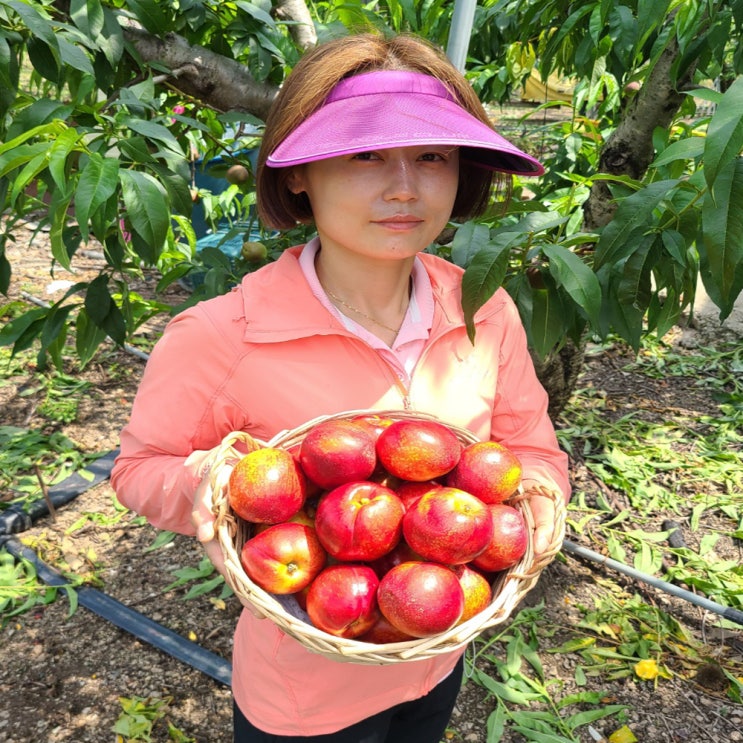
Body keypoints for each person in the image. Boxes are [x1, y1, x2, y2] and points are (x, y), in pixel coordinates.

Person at [111, 32, 571, 743]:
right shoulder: (222, 334)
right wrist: (208, 479)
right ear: (298, 174)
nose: (404, 187)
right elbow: (139, 468)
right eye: (364, 155)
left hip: (435, 648)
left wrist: (541, 495)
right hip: (303, 690)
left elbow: (528, 448)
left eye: (432, 156)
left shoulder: (484, 309)